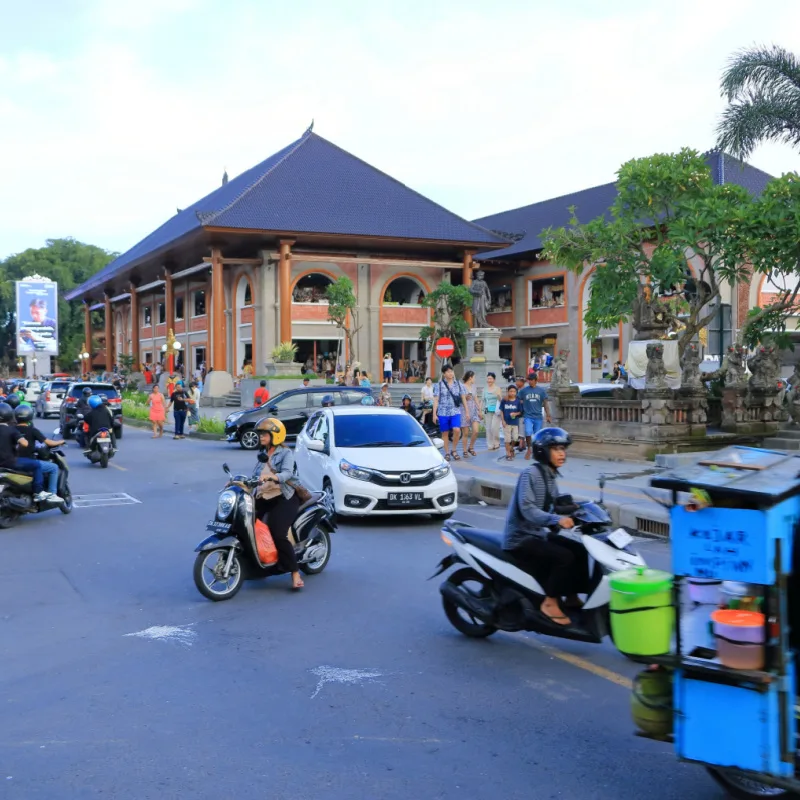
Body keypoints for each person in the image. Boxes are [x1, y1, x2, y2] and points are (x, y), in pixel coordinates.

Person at [503, 427, 587, 626]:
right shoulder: (530, 474)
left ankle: (571, 596)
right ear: (543, 451)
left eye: (563, 449)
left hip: (538, 534)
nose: (562, 454)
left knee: (580, 548)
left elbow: (555, 503)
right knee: (564, 557)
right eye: (556, 449)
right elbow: (528, 509)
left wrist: (581, 510)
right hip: (521, 538)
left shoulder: (550, 475)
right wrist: (555, 520)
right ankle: (550, 602)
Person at [254, 417, 304, 590]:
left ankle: (295, 572)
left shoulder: (285, 453)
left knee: (277, 531)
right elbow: (255, 475)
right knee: (246, 520)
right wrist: (237, 482)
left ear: (275, 435)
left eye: (264, 434)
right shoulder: (263, 453)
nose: (261, 436)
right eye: (260, 433)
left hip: (285, 497)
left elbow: (287, 474)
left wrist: (272, 477)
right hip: (266, 496)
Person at [2, 403, 61, 504]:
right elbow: (24, 443)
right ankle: (39, 492)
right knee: (37, 465)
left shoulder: (14, 428)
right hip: (11, 462)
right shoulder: (12, 430)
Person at [14, 404, 65, 498]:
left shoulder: (11, 430)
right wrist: (60, 441)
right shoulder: (32, 430)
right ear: (30, 416)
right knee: (53, 467)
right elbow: (49, 442)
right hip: (28, 462)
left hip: (12, 462)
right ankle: (52, 494)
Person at [432, 365, 465, 461]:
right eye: (448, 372)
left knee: (457, 430)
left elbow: (463, 397)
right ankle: (447, 453)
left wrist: (466, 411)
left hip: (455, 411)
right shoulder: (439, 385)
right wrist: (434, 414)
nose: (450, 373)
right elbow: (436, 400)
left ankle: (454, 450)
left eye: (451, 371)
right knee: (445, 433)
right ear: (444, 374)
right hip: (443, 412)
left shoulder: (458, 384)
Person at [518, 372, 552, 460]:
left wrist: (548, 415)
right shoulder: (524, 391)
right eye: (529, 380)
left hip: (538, 417)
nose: (530, 382)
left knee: (537, 435)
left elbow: (545, 404)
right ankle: (529, 448)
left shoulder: (541, 391)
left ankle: (535, 449)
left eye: (531, 380)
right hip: (527, 416)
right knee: (528, 432)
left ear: (536, 381)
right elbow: (516, 399)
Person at [460, 370, 483, 459]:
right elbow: (462, 398)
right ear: (470, 377)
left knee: (476, 431)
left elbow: (476, 398)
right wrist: (465, 397)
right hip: (464, 410)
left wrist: (479, 410)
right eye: (474, 377)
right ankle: (465, 450)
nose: (474, 379)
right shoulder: (462, 386)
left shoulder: (473, 387)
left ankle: (471, 447)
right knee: (465, 433)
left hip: (473, 410)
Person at [499, 384, 522, 461]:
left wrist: (515, 414)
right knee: (507, 439)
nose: (512, 393)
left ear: (516, 392)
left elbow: (520, 412)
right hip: (507, 423)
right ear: (507, 392)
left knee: (515, 438)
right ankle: (508, 453)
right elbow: (501, 411)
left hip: (515, 422)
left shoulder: (518, 401)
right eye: (510, 391)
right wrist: (503, 420)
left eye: (514, 391)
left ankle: (511, 448)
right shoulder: (504, 400)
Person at [483, 372, 503, 451]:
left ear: (494, 380)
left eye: (490, 379)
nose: (489, 380)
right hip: (487, 410)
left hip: (496, 411)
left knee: (494, 427)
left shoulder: (497, 388)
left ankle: (496, 442)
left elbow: (501, 400)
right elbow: (483, 400)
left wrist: (498, 395)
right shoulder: (484, 389)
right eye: (488, 379)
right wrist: (480, 410)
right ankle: (490, 444)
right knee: (488, 428)